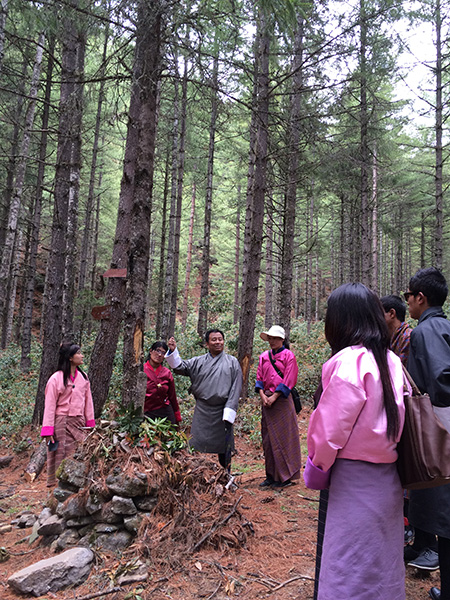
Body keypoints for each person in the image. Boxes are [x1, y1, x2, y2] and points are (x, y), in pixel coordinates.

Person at [304, 283, 405, 600]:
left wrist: (317, 469)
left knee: (348, 566)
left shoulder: (348, 362)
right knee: (383, 563)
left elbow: (329, 429)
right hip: (389, 480)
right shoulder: (392, 361)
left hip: (353, 482)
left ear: (340, 321)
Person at [404, 267, 450, 600]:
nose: (408, 302)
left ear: (421, 298)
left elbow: (440, 379)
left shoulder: (425, 331)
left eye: (409, 296)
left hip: (441, 427)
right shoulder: (445, 326)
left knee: (442, 508)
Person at [165, 329, 242, 470]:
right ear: (207, 343)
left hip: (222, 408)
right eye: (214, 339)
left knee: (224, 445)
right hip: (203, 409)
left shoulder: (232, 362)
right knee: (196, 443)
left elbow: (236, 388)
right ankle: (195, 472)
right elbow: (180, 366)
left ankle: (226, 473)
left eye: (220, 339)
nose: (218, 342)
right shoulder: (198, 361)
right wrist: (173, 351)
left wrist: (230, 409)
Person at [40, 343, 95, 487]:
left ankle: (75, 488)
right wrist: (48, 429)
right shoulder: (56, 379)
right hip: (61, 423)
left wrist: (90, 424)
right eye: (79, 353)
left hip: (79, 423)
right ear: (70, 357)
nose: (82, 355)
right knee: (60, 454)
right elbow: (50, 405)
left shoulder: (84, 377)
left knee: (79, 453)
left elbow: (88, 402)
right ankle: (58, 490)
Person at [255, 325, 301, 488]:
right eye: (270, 338)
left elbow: (289, 378)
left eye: (275, 338)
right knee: (268, 438)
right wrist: (263, 396)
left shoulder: (289, 356)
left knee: (284, 437)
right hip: (266, 400)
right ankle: (271, 475)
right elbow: (259, 377)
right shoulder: (263, 356)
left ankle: (285, 476)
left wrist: (274, 396)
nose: (272, 341)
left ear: (282, 339)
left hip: (282, 400)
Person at [143, 341, 181, 426]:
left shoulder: (166, 373)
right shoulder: (142, 370)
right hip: (147, 411)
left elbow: (172, 396)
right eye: (157, 351)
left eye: (163, 353)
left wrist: (177, 414)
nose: (160, 355)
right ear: (151, 351)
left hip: (165, 411)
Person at [380, 294, 413, 366]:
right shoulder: (389, 338)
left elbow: (399, 371)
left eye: (379, 315)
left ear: (392, 313)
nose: (377, 319)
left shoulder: (407, 338)